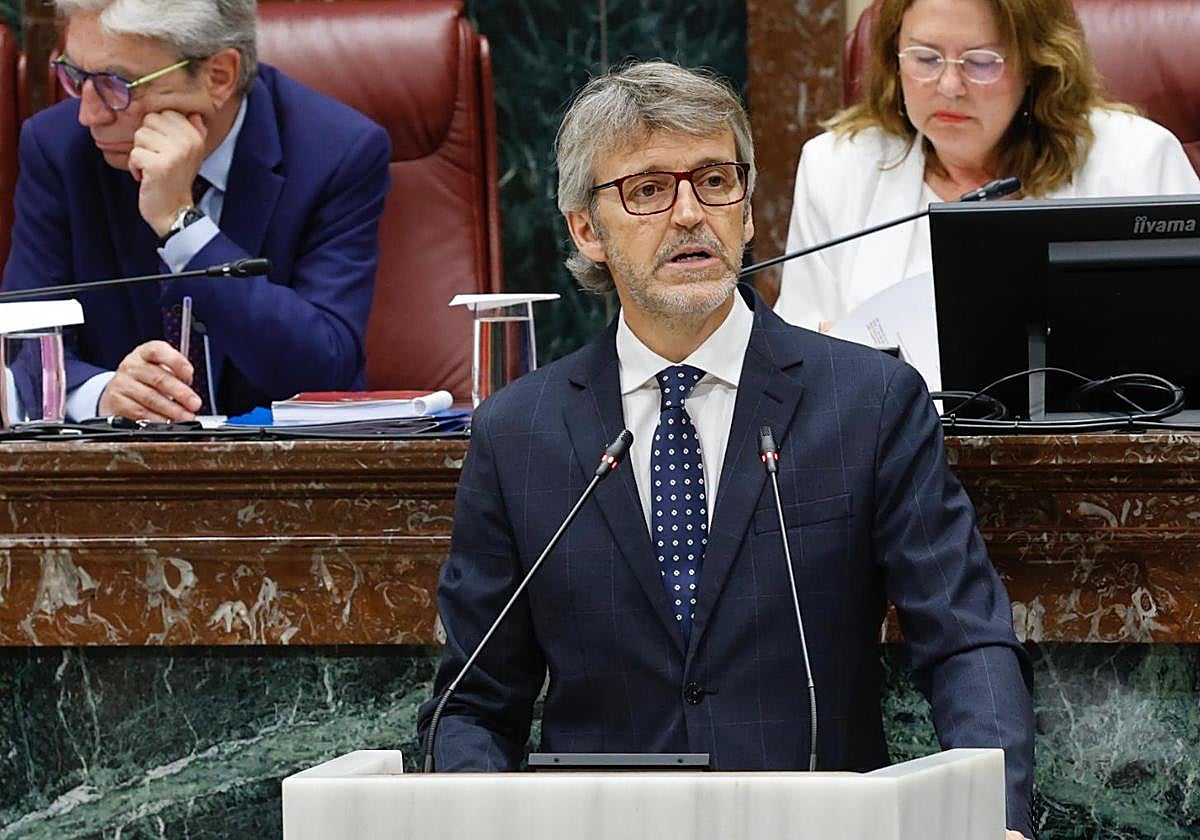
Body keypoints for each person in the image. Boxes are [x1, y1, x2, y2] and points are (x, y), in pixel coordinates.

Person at [418, 60, 1035, 840]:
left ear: (746, 209)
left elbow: (965, 642)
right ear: (586, 229)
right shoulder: (519, 435)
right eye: (647, 190)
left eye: (714, 181)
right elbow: (473, 703)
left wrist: (995, 816)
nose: (688, 215)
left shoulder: (868, 401)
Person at [1, 0, 389, 420]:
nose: (88, 114)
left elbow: (323, 368)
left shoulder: (336, 153)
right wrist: (102, 394)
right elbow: (21, 341)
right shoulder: (60, 148)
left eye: (118, 84)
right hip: (110, 473)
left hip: (285, 466)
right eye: (76, 76)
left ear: (218, 75)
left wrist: (181, 225)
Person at [775, 0, 1200, 332]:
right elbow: (798, 348)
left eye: (981, 62)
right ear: (893, 57)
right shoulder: (836, 165)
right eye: (925, 58)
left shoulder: (1139, 161)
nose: (949, 86)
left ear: (1037, 65)